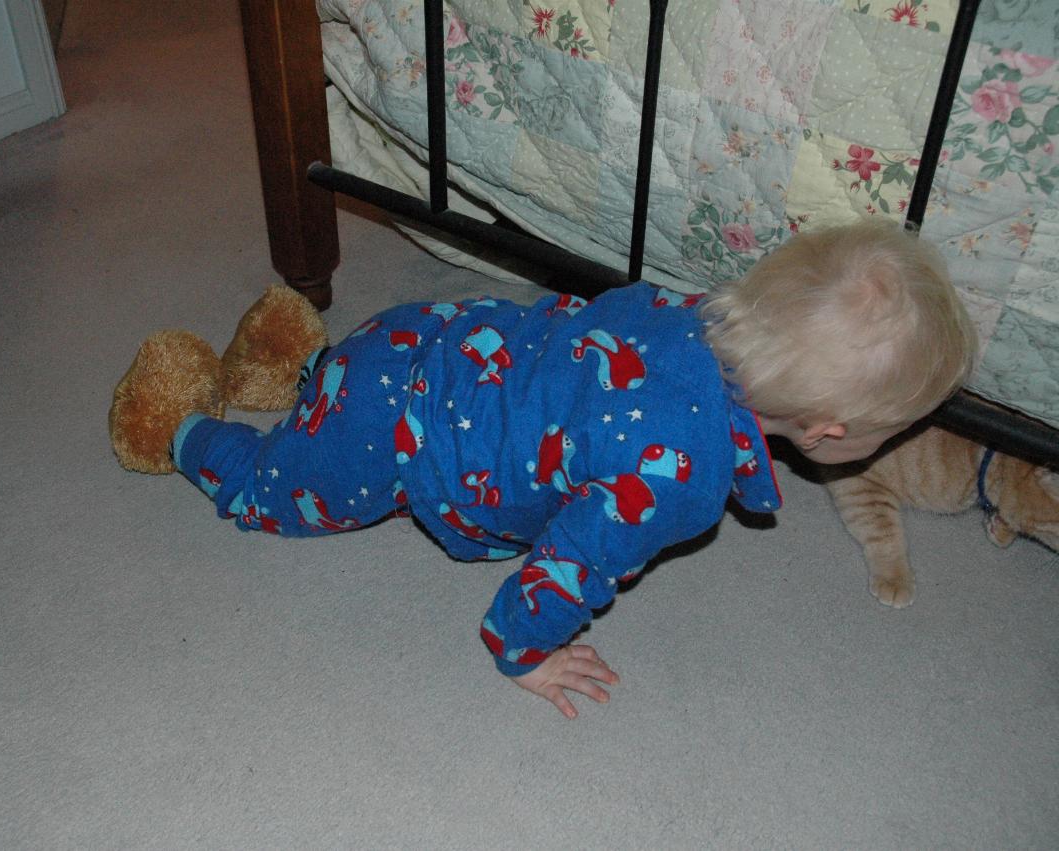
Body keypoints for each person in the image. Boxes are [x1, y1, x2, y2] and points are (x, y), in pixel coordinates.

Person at [153, 220, 978, 718]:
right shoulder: (672, 480)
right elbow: (569, 564)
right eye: (897, 427)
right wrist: (525, 649)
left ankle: (303, 362)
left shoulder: (682, 311)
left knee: (337, 387)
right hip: (396, 425)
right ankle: (182, 425)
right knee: (275, 493)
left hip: (427, 336)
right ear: (831, 430)